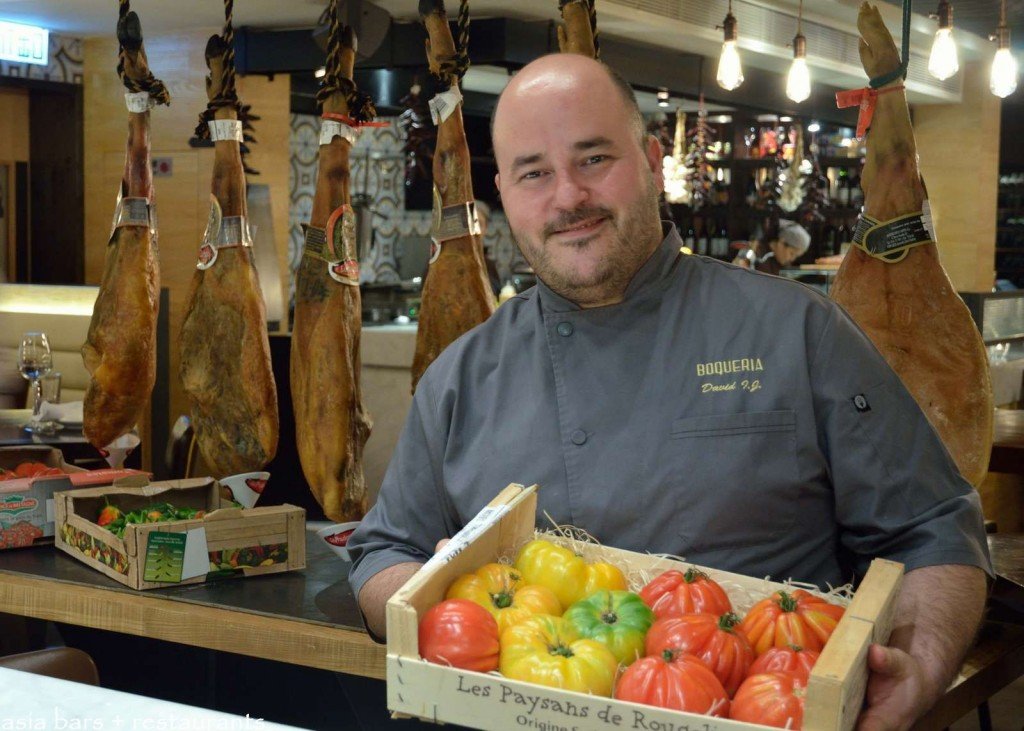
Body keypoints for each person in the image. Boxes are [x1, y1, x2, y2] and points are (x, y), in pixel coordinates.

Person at [348, 53, 990, 731]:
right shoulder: (460, 375)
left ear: (653, 161)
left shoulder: (795, 331)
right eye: (534, 172)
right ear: (504, 191)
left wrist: (920, 668)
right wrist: (452, 609)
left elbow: (934, 529)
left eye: (594, 158)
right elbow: (382, 551)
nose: (567, 196)